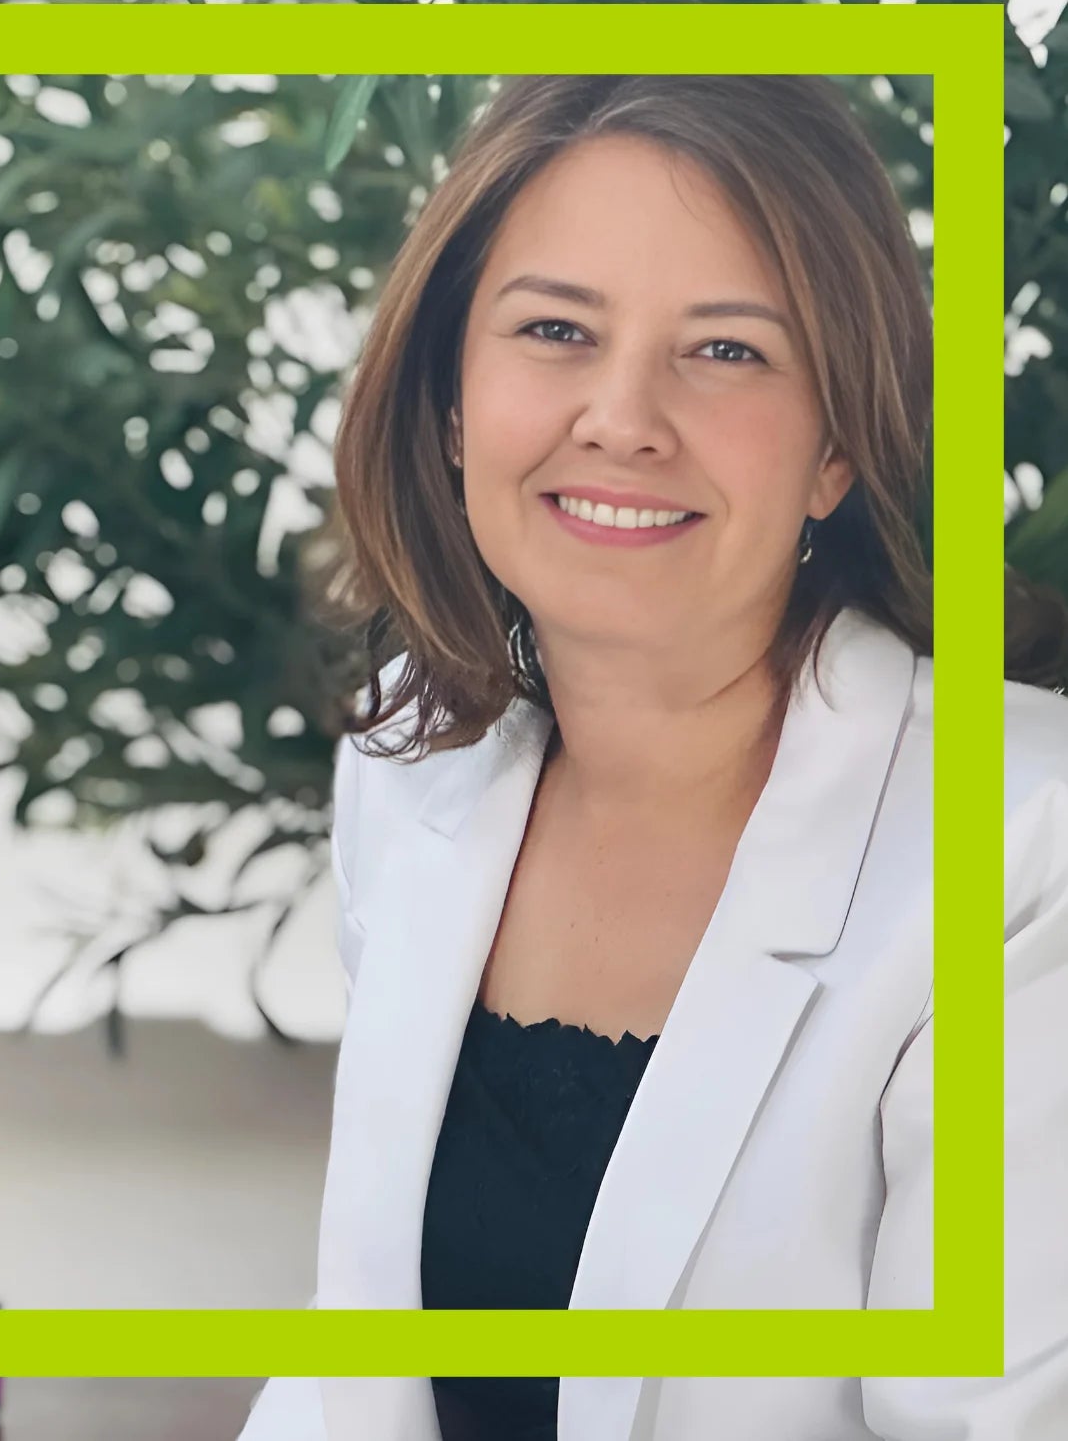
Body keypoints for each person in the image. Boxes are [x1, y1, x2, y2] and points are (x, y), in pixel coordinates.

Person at [238, 76, 1068, 1440]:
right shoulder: (412, 757)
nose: (623, 418)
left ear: (838, 447)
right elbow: (358, 1366)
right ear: (453, 402)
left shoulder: (1020, 844)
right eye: (557, 330)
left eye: (729, 351)